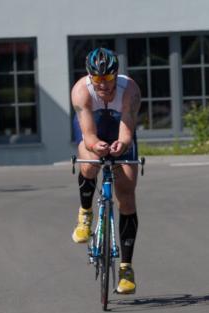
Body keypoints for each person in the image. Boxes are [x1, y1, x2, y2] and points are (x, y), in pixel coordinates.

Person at [70, 47, 142, 295]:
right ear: (90, 76)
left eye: (108, 78)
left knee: (127, 194)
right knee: (89, 164)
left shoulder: (130, 90)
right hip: (95, 128)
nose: (103, 84)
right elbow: (89, 135)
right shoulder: (81, 91)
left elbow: (126, 129)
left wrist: (122, 144)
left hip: (119, 129)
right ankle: (85, 213)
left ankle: (126, 268)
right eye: (98, 78)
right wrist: (96, 145)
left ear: (116, 74)